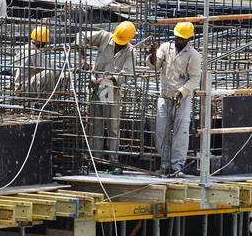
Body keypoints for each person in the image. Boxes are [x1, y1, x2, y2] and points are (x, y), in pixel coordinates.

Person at [76, 21, 136, 166]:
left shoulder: (130, 51)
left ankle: (112, 161)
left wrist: (106, 79)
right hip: (96, 86)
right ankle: (96, 160)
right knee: (95, 124)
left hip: (110, 88)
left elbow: (127, 74)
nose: (117, 45)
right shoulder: (104, 37)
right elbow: (81, 35)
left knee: (112, 126)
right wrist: (83, 57)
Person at [149, 22, 202, 177]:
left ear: (189, 38)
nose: (180, 40)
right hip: (165, 96)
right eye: (179, 37)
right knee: (161, 130)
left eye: (183, 38)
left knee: (180, 132)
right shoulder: (166, 48)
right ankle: (165, 164)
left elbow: (194, 78)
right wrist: (152, 55)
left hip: (182, 98)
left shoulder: (193, 55)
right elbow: (155, 66)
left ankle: (177, 166)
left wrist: (182, 91)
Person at [13, 26, 58, 94]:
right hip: (25, 87)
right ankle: (47, 96)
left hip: (19, 85)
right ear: (43, 43)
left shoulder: (24, 48)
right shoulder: (35, 53)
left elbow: (14, 69)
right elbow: (50, 67)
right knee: (49, 73)